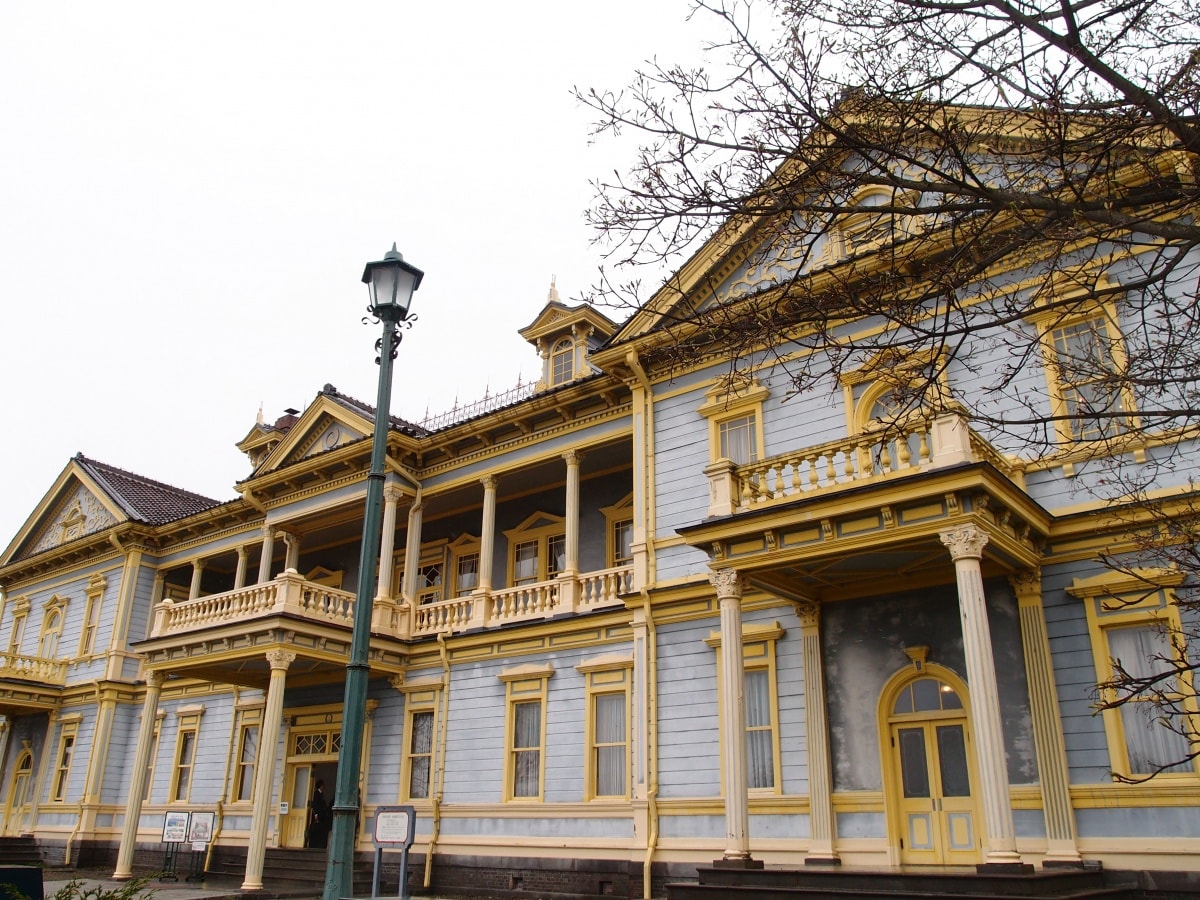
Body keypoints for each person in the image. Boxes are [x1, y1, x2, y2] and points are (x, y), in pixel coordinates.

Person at [307, 779, 331, 849]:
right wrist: (316, 814)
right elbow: (316, 804)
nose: (324, 787)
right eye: (322, 785)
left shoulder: (321, 794)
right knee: (317, 829)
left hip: (322, 815)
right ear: (320, 786)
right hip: (319, 815)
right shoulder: (316, 793)